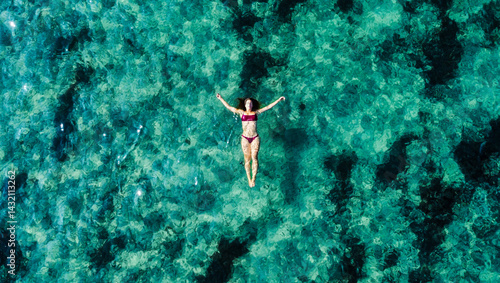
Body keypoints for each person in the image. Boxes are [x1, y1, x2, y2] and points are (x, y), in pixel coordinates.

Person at [216, 93, 285, 187]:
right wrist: (220, 98)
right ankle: (249, 178)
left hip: (255, 137)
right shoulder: (241, 113)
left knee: (254, 157)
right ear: (245, 105)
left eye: (251, 103)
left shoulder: (256, 113)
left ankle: (254, 179)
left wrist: (278, 100)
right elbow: (229, 107)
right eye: (248, 103)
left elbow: (268, 107)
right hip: (245, 138)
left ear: (252, 105)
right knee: (247, 159)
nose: (249, 105)